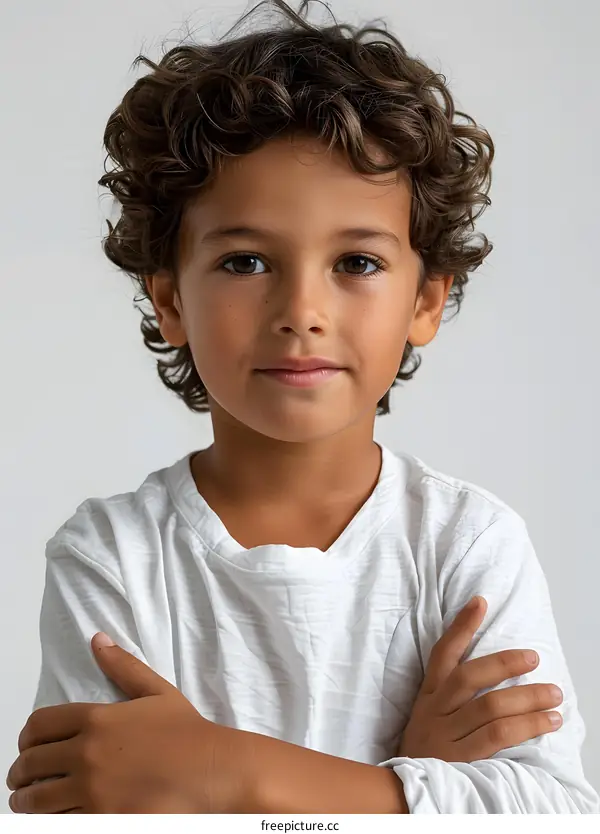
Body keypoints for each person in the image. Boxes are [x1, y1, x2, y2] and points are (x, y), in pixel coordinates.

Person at [6, 0, 599, 815]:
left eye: (356, 260)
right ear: (171, 299)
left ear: (426, 300)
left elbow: (552, 814)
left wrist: (230, 773)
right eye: (247, 261)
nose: (302, 311)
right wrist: (408, 783)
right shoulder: (110, 558)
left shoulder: (469, 547)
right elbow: (95, 817)